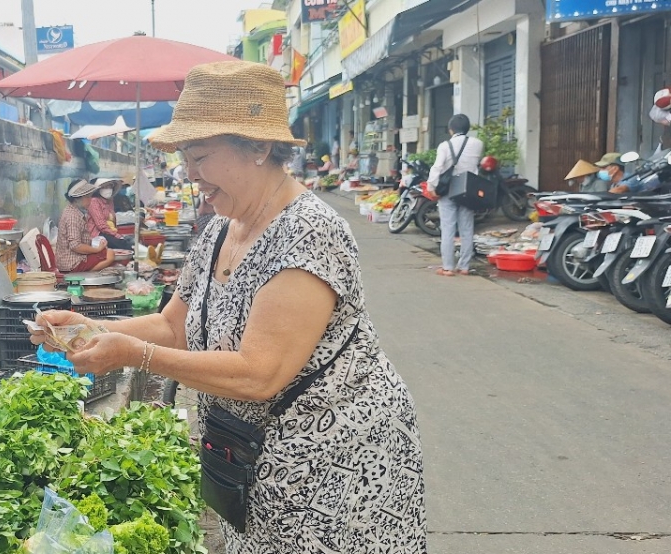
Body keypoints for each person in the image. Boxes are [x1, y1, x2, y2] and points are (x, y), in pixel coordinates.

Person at [32, 61, 425, 553]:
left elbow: (260, 374)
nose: (189, 175)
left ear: (259, 147)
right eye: (186, 159)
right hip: (252, 457)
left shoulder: (309, 233)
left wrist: (132, 354)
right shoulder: (220, 229)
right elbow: (173, 325)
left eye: (199, 157)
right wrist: (87, 327)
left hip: (335, 462)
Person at [426, 114, 484, 276]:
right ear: (467, 128)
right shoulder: (478, 144)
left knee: (448, 228)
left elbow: (437, 167)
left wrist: (431, 186)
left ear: (451, 130)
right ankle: (464, 266)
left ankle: (448, 267)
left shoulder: (445, 146)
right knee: (467, 228)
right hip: (468, 190)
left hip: (449, 190)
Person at [55, 179, 116, 272]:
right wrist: (96, 250)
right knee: (110, 255)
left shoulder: (75, 211)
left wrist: (98, 245)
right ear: (78, 198)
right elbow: (75, 246)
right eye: (88, 197)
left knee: (107, 251)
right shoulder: (72, 216)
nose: (90, 200)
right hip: (72, 263)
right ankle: (84, 273)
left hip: (75, 258)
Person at [87, 177, 131, 250]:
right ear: (98, 190)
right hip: (98, 234)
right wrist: (116, 235)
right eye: (105, 187)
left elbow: (112, 221)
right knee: (124, 245)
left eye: (110, 186)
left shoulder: (110, 201)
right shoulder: (94, 201)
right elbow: (101, 225)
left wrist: (116, 233)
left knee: (129, 241)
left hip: (109, 232)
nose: (108, 189)